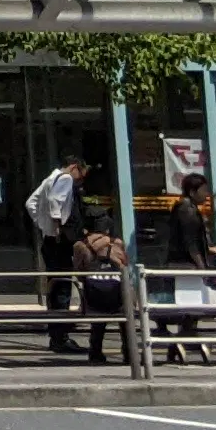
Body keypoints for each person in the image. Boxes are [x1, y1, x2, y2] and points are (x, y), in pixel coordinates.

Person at [146, 171, 216, 365]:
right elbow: (189, 242)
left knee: (191, 308)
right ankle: (184, 340)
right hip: (185, 266)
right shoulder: (186, 209)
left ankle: (181, 342)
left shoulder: (189, 208)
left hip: (187, 264)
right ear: (192, 190)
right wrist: (201, 266)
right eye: (203, 190)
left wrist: (208, 249)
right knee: (189, 306)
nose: (206, 194)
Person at [28, 150, 91, 356]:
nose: (79, 181)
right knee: (62, 287)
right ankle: (61, 336)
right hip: (59, 240)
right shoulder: (64, 178)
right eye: (80, 176)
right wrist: (55, 227)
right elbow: (56, 202)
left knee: (54, 286)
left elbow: (31, 203)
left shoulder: (50, 178)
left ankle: (56, 332)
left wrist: (42, 225)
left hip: (49, 240)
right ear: (74, 167)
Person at [71, 222, 136, 370]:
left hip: (94, 297)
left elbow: (77, 271)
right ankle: (128, 352)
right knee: (124, 313)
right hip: (117, 296)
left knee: (98, 316)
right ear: (107, 229)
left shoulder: (80, 246)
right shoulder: (117, 243)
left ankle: (95, 352)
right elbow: (125, 267)